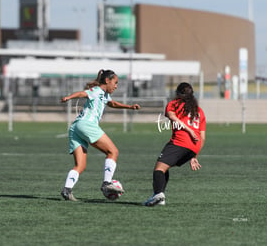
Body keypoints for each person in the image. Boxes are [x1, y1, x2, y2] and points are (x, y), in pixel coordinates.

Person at [60, 69, 141, 201]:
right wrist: (69, 97)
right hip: (87, 125)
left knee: (80, 165)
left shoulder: (104, 94)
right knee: (113, 152)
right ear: (107, 81)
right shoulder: (96, 90)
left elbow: (112, 103)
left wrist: (129, 107)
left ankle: (67, 190)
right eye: (115, 83)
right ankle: (106, 183)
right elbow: (83, 93)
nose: (116, 86)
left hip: (76, 128)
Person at [144, 82, 206, 206]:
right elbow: (202, 137)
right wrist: (194, 156)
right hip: (194, 147)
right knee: (164, 167)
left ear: (177, 94)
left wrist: (188, 130)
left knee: (159, 169)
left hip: (180, 142)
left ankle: (158, 195)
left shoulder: (174, 104)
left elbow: (172, 117)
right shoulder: (199, 111)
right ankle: (159, 195)